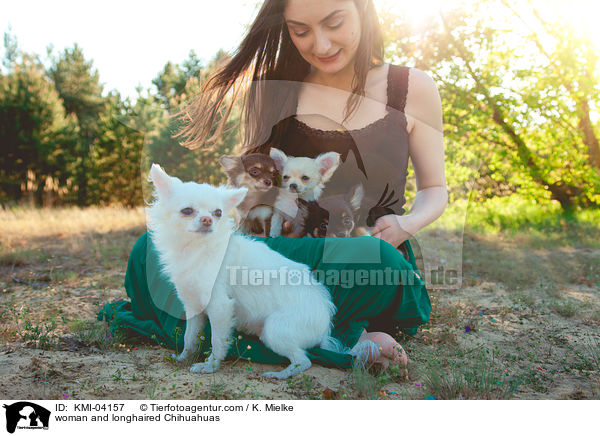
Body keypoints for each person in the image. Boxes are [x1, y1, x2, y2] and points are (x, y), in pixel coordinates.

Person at [100, 0, 447, 373]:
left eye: (334, 23)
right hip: (283, 251)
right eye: (301, 31)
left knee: (379, 262)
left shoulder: (413, 87)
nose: (322, 44)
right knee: (150, 247)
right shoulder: (273, 87)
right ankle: (343, 340)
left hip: (359, 252)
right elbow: (253, 187)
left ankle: (288, 334)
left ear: (363, 9)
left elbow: (435, 189)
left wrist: (405, 225)